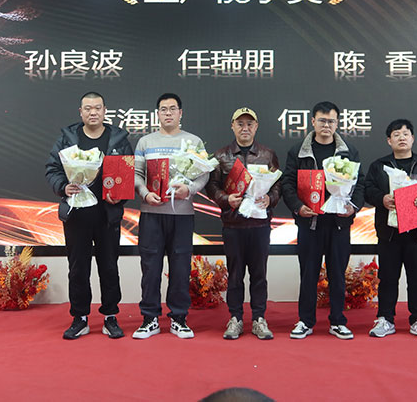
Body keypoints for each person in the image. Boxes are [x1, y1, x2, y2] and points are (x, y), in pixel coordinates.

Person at [45, 91, 133, 340]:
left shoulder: (118, 139)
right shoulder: (68, 139)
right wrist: (63, 187)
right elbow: (52, 169)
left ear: (104, 111)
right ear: (80, 112)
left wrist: (119, 197)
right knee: (78, 269)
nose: (93, 112)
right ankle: (80, 318)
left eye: (97, 108)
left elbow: (127, 174)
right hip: (77, 216)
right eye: (88, 108)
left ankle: (110, 317)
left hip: (107, 216)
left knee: (109, 267)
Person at [281, 101, 365, 339]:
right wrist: (298, 207)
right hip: (310, 223)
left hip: (338, 223)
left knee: (337, 274)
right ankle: (305, 321)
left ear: (337, 123)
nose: (326, 125)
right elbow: (287, 183)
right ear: (313, 122)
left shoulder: (349, 152)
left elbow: (360, 183)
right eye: (322, 120)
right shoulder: (298, 151)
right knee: (308, 274)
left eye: (331, 121)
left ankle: (338, 321)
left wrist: (352, 208)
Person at [132, 92, 209, 339]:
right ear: (158, 114)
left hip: (182, 215)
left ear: (180, 113)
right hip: (151, 213)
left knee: (180, 268)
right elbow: (137, 174)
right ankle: (150, 318)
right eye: (163, 109)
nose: (168, 113)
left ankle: (179, 318)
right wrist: (144, 193)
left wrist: (190, 189)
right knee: (150, 268)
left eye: (172, 109)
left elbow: (204, 174)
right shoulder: (145, 142)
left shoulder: (194, 142)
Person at [364, 119, 417, 339]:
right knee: (387, 277)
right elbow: (367, 189)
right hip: (389, 233)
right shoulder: (379, 166)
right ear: (388, 140)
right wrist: (381, 198)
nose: (401, 138)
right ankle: (385, 319)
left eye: (405, 134)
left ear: (412, 138)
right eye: (396, 134)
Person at [206, 107, 281, 340]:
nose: (245, 128)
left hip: (259, 226)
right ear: (232, 126)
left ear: (256, 127)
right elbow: (211, 186)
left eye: (249, 124)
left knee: (259, 275)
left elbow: (278, 185)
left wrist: (270, 198)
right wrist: (226, 198)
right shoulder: (221, 155)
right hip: (233, 225)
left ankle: (259, 318)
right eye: (240, 124)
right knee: (235, 275)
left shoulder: (268, 154)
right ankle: (235, 318)